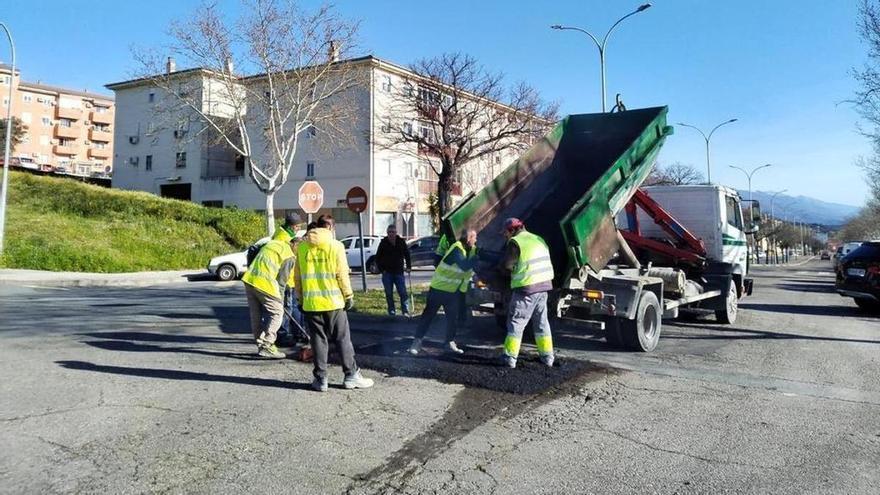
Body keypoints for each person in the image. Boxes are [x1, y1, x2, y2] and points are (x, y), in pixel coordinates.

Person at [295, 214, 374, 392]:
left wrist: (300, 298)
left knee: (318, 341)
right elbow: (342, 274)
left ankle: (321, 379)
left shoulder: (302, 247)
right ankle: (351, 375)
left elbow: (297, 277)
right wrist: (349, 296)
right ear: (330, 228)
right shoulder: (336, 246)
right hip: (334, 303)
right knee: (342, 339)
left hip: (311, 304)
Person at [408, 228, 478, 356]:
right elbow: (464, 265)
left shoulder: (470, 250)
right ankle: (416, 342)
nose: (476, 240)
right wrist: (477, 257)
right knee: (428, 316)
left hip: (452, 291)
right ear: (468, 239)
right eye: (474, 238)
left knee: (453, 319)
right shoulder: (457, 249)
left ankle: (450, 342)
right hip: (438, 289)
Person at [499, 218, 555, 368]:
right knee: (541, 322)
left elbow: (508, 265)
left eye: (505, 233)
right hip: (544, 287)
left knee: (516, 322)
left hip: (526, 289)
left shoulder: (515, 242)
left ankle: (510, 357)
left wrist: (502, 269)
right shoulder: (538, 239)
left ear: (512, 230)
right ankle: (547, 357)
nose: (505, 236)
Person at [241, 221, 298, 359]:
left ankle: (261, 345)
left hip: (249, 279)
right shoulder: (288, 254)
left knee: (256, 315)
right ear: (294, 245)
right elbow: (281, 282)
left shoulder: (272, 243)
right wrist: (280, 300)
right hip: (264, 283)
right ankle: (267, 344)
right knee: (277, 312)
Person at [276, 213, 306, 346]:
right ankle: (284, 335)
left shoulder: (282, 234)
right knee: (288, 308)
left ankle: (296, 333)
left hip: (290, 278)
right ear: (292, 226)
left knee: (291, 307)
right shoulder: (284, 238)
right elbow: (288, 259)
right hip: (287, 279)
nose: (299, 229)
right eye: (298, 226)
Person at [375, 225, 412, 316]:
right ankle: (391, 311)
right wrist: (381, 269)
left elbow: (407, 255)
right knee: (389, 293)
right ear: (387, 233)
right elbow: (377, 257)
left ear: (396, 233)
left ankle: (405, 311)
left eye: (393, 232)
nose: (391, 234)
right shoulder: (383, 243)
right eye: (389, 232)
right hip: (387, 273)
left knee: (403, 292)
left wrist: (409, 267)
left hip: (399, 272)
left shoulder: (401, 242)